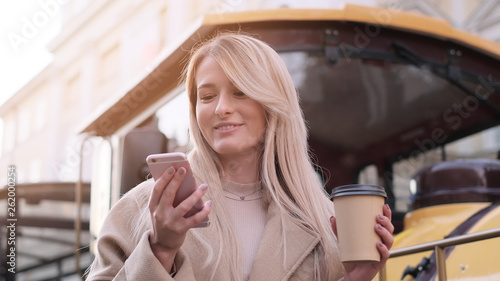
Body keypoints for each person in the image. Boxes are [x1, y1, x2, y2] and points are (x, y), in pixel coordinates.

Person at [86, 33, 394, 281]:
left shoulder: (323, 221)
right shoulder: (138, 210)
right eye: (207, 96)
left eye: (240, 92)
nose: (220, 108)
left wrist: (355, 279)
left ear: (273, 104)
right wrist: (160, 250)